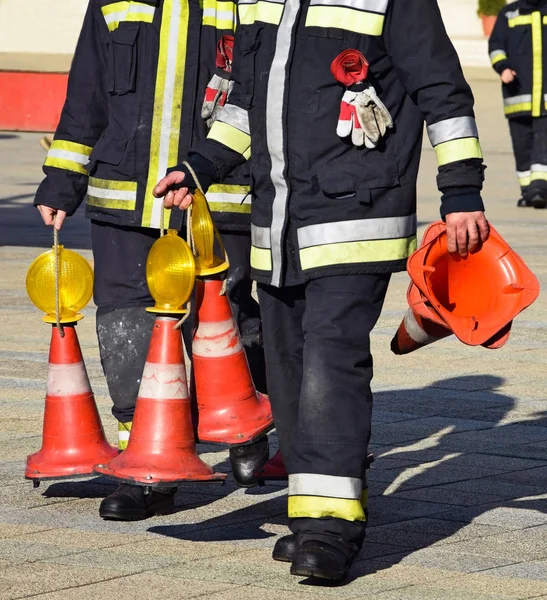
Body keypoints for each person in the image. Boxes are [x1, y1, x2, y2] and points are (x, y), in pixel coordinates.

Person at [154, 0, 490, 583]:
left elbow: (444, 93)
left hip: (358, 217)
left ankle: (332, 528)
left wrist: (461, 191)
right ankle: (311, 510)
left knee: (330, 363)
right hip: (279, 229)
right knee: (287, 368)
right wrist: (201, 166)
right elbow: (244, 102)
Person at [33, 0, 270, 521]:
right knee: (125, 327)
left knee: (223, 318)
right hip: (123, 198)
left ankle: (248, 421)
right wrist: (61, 179)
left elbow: (262, 89)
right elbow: (86, 94)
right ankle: (147, 464)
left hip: (218, 195)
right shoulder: (116, 3)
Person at [489, 0, 547, 208]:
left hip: (546, 98)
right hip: (518, 95)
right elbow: (496, 46)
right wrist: (502, 68)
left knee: (544, 143)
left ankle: (539, 188)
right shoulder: (508, 14)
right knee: (522, 147)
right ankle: (526, 191)